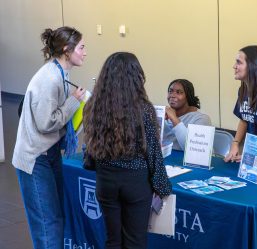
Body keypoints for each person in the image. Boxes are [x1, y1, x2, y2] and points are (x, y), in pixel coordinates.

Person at [83, 52, 172, 249]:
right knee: (135, 242)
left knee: (112, 241)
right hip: (136, 183)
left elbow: (90, 143)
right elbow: (153, 152)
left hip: (105, 181)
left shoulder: (93, 106)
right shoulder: (144, 109)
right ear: (136, 76)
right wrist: (163, 186)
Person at [12, 26, 86, 248]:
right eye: (81, 47)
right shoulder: (50, 78)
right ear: (67, 49)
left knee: (55, 217)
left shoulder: (61, 73)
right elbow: (46, 123)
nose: (85, 52)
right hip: (36, 158)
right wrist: (73, 101)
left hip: (49, 152)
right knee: (47, 223)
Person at [163, 79, 212, 150]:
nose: (172, 95)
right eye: (170, 91)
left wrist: (174, 119)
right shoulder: (165, 115)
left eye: (179, 92)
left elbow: (193, 149)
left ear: (188, 96)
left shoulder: (202, 119)